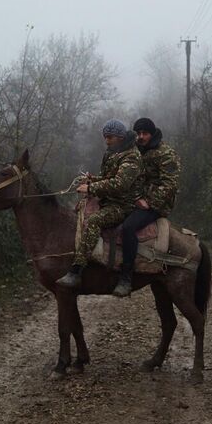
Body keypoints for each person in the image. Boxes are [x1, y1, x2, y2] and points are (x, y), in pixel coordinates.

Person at [56, 119, 144, 289]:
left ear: (120, 137)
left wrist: (90, 188)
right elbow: (108, 177)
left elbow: (120, 184)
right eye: (105, 137)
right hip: (109, 199)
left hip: (122, 205)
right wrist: (92, 179)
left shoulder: (132, 157)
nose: (107, 140)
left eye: (110, 137)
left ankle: (76, 270)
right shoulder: (113, 153)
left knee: (94, 220)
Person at [114, 117, 181, 297]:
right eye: (138, 133)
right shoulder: (136, 150)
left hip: (156, 204)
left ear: (152, 134)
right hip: (136, 199)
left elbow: (170, 184)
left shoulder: (165, 153)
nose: (141, 136)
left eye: (145, 133)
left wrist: (149, 203)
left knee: (129, 227)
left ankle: (126, 276)